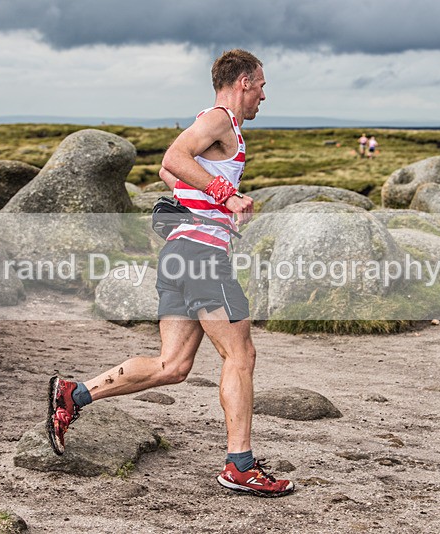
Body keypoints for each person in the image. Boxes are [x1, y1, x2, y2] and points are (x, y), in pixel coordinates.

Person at [47, 49, 294, 498]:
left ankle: (73, 395)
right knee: (241, 356)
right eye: (261, 84)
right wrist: (227, 197)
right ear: (243, 82)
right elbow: (175, 156)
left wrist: (205, 200)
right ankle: (239, 466)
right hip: (202, 256)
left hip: (180, 253)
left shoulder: (220, 127)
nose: (264, 94)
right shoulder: (220, 119)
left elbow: (167, 172)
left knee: (173, 365)